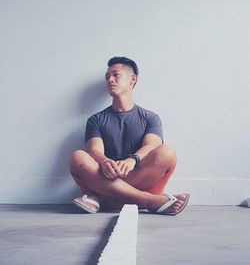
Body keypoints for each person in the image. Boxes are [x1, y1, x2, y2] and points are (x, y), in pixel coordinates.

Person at [69, 56, 190, 214]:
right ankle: (147, 200)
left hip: (129, 178)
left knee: (167, 152)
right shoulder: (96, 119)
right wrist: (105, 162)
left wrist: (132, 160)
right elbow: (95, 151)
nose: (110, 80)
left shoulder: (150, 117)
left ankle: (102, 199)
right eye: (107, 77)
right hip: (107, 175)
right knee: (78, 156)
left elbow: (152, 145)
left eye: (115, 75)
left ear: (132, 79)